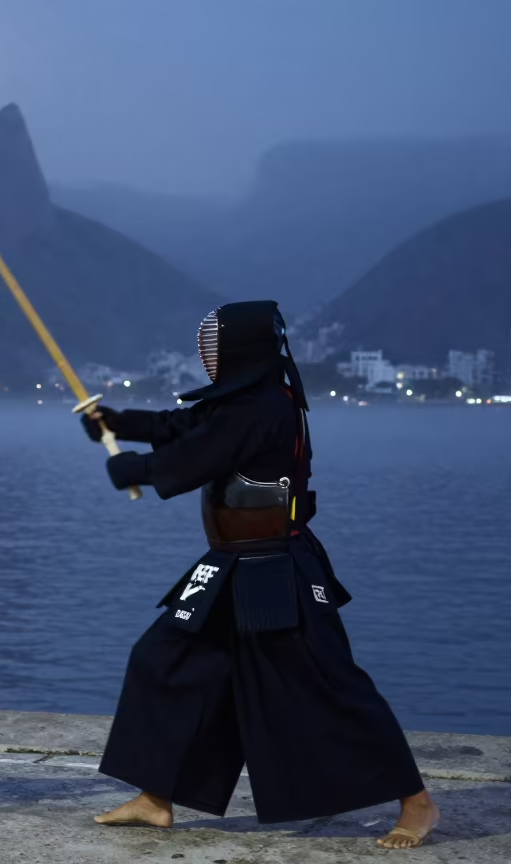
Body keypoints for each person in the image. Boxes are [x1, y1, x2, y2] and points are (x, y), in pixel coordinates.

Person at [82, 301, 438, 851]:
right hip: (227, 563)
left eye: (213, 344)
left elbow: (196, 456)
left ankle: (418, 803)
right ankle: (155, 798)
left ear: (240, 349)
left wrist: (135, 468)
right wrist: (117, 422)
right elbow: (182, 426)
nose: (205, 353)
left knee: (329, 685)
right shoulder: (241, 401)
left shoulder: (264, 406)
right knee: (163, 659)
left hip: (278, 567)